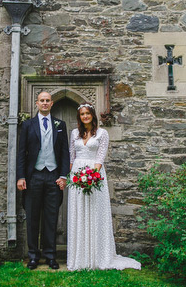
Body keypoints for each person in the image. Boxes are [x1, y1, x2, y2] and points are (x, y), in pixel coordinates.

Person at [67, 102, 141, 271]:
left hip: (94, 174)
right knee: (78, 211)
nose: (85, 116)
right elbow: (72, 157)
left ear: (92, 115)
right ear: (79, 117)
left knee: (95, 212)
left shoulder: (102, 133)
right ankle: (80, 258)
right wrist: (74, 177)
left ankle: (98, 255)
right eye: (82, 114)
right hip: (77, 175)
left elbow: (100, 157)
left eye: (87, 113)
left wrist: (91, 177)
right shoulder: (74, 134)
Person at [16, 91, 70, 270]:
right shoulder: (28, 125)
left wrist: (63, 176)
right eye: (42, 101)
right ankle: (33, 256)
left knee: (51, 217)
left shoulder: (60, 125)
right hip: (34, 176)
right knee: (32, 217)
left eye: (48, 101)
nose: (45, 103)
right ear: (37, 103)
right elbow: (21, 153)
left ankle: (50, 256)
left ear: (52, 104)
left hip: (53, 176)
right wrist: (21, 176)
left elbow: (64, 153)